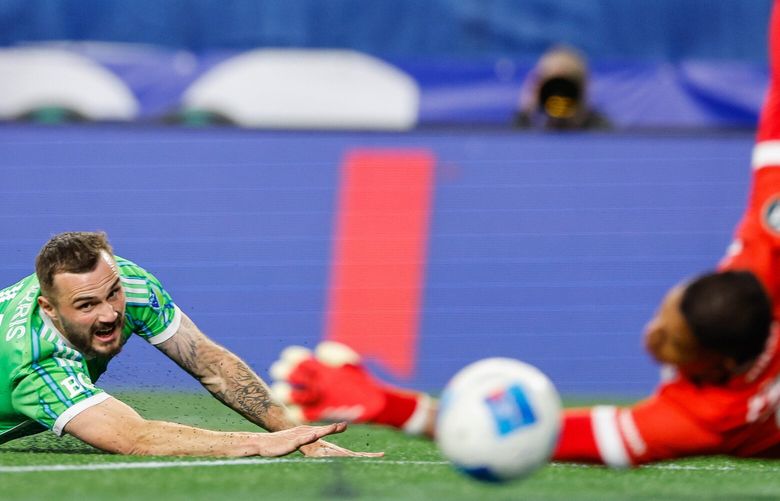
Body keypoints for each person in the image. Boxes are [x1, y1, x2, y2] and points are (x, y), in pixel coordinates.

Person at [269, 0, 780, 467]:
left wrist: (394, 407)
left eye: (671, 342)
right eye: (665, 313)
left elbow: (546, 437)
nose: (653, 334)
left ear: (721, 365)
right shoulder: (767, 239)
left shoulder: (711, 416)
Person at [0, 231, 382, 458]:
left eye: (111, 294)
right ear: (48, 307)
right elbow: (133, 437)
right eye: (86, 306)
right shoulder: (35, 363)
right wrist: (260, 444)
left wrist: (298, 434)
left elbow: (207, 362)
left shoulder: (127, 283)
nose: (110, 314)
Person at [513, 45, 611, 131]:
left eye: (567, 88)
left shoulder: (603, 132)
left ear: (582, 89)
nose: (559, 94)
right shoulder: (520, 131)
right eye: (551, 87)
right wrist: (527, 113)